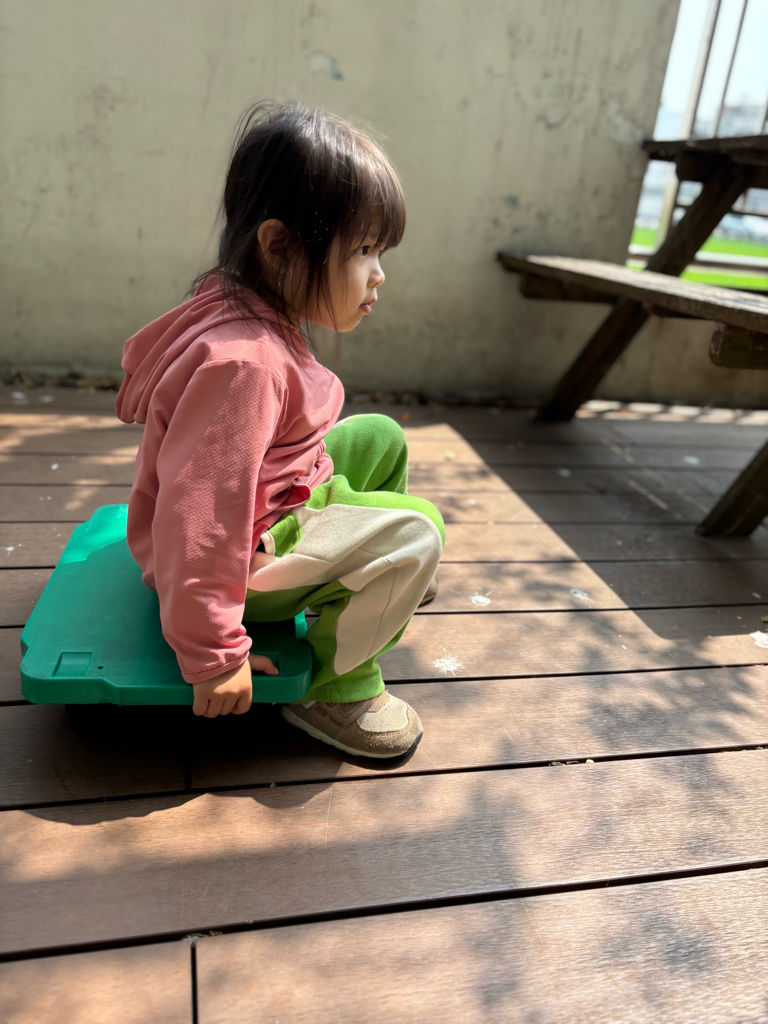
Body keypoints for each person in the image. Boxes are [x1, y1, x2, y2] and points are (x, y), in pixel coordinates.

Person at [115, 101, 444, 759]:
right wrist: (213, 654)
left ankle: (368, 580)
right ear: (278, 246)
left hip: (272, 506)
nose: (378, 272)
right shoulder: (245, 367)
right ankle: (334, 687)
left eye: (379, 251)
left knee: (380, 437)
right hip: (244, 564)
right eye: (363, 250)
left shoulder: (241, 301)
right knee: (419, 530)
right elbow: (201, 520)